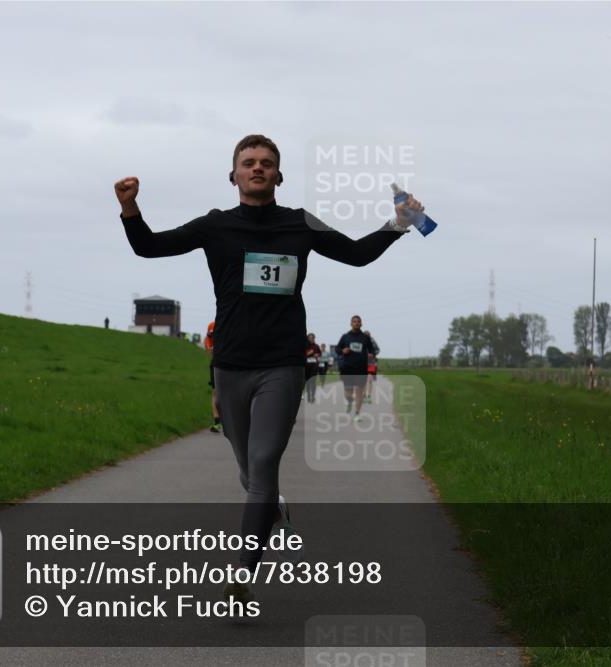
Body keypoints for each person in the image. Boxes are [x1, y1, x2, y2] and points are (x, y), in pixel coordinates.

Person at [114, 134, 422, 603]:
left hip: (282, 365)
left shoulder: (301, 223)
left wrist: (397, 224)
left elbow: (357, 254)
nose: (257, 168)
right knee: (248, 470)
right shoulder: (215, 226)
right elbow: (149, 248)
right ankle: (270, 509)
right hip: (232, 366)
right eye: (249, 162)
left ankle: (242, 571)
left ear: (279, 175)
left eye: (267, 163)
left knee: (262, 463)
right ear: (233, 174)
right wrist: (130, 208)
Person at [337, 315, 376, 419]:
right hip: (348, 368)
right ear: (351, 323)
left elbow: (372, 350)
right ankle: (350, 402)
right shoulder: (345, 337)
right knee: (348, 393)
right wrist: (342, 351)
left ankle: (357, 413)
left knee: (359, 392)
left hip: (361, 368)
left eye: (358, 321)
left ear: (361, 324)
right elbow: (337, 348)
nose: (356, 323)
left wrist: (372, 354)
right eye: (354, 321)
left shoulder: (365, 338)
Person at [205, 321, 222, 433]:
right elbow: (208, 339)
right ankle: (217, 423)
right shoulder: (212, 325)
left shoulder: (233, 321)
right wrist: (209, 347)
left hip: (233, 362)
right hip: (216, 362)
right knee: (215, 392)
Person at [304, 333, 322, 403]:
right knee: (308, 382)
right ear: (307, 338)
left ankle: (313, 397)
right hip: (307, 366)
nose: (311, 339)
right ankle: (308, 396)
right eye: (310, 338)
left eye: (312, 338)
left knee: (313, 382)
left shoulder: (316, 346)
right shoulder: (305, 346)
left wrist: (317, 355)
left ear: (314, 338)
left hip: (314, 366)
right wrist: (309, 353)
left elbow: (320, 354)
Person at [363, 329, 380, 403]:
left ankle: (369, 396)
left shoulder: (372, 341)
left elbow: (378, 350)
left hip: (371, 363)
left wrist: (373, 354)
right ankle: (364, 396)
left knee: (369, 380)